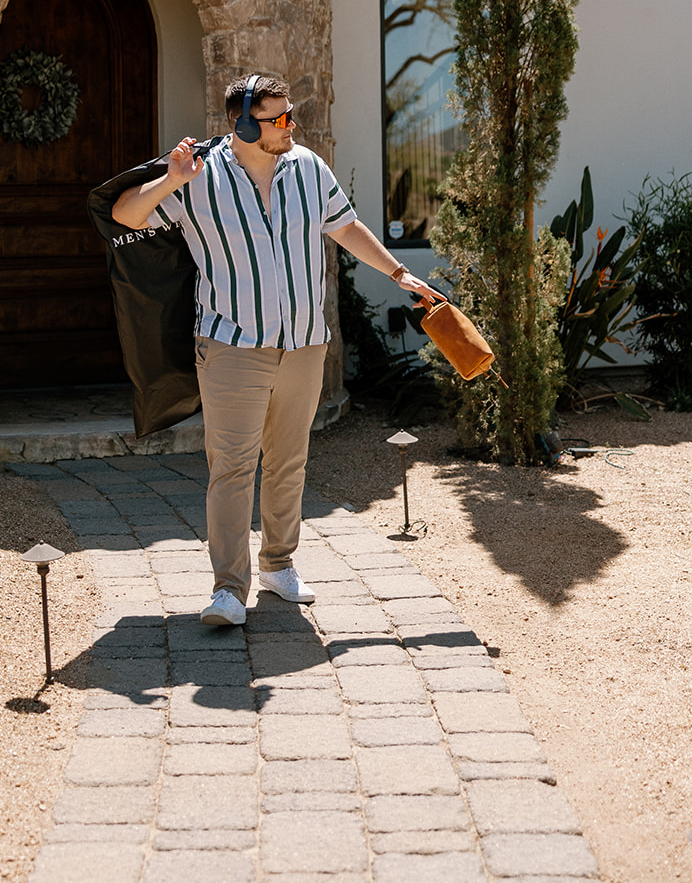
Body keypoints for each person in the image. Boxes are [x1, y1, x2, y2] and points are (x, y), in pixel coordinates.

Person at [111, 73, 443, 626]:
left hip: (304, 342)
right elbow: (125, 215)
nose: (292, 126)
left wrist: (400, 272)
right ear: (242, 122)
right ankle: (227, 589)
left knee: (289, 460)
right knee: (233, 467)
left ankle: (279, 565)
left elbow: (347, 226)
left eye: (291, 115)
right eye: (278, 118)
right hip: (230, 343)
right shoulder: (198, 179)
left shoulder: (309, 168)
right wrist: (169, 181)